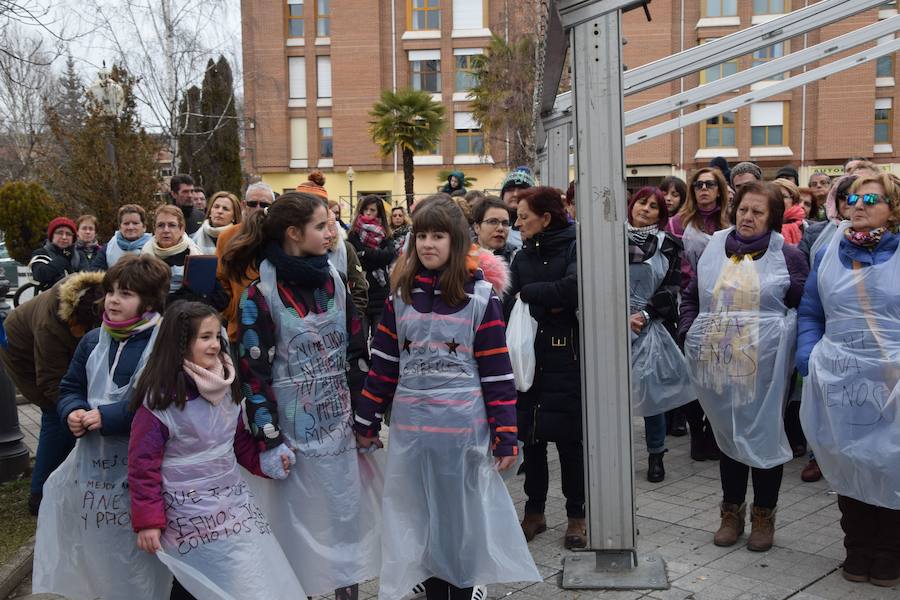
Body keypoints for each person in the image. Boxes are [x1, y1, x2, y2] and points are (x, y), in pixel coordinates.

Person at [355, 196, 539, 600]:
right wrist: (365, 421)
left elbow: (496, 372)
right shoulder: (400, 298)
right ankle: (433, 581)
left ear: (456, 242)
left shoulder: (480, 298)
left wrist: (505, 433)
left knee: (459, 517)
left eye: (438, 235)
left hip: (462, 433)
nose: (428, 244)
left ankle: (464, 582)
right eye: (421, 235)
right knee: (418, 513)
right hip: (412, 432)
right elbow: (384, 364)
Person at [223, 192, 379, 600]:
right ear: (294, 233)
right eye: (322, 226)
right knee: (298, 534)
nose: (332, 233)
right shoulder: (259, 297)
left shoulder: (337, 283)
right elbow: (251, 375)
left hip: (340, 431)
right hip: (290, 439)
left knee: (345, 523)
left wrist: (367, 420)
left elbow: (358, 355)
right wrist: (269, 440)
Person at [128, 300, 305, 600]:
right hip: (186, 513)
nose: (214, 345)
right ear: (181, 344)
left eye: (217, 336)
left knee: (240, 571)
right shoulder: (160, 401)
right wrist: (148, 521)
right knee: (191, 582)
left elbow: (235, 442)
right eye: (204, 337)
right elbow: (142, 465)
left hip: (229, 506)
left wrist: (266, 461)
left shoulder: (226, 387)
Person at [33, 255, 172, 599]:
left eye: (125, 293)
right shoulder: (93, 340)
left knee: (144, 553)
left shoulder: (164, 343)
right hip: (96, 471)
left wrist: (108, 417)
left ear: (149, 300)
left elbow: (161, 400)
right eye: (110, 291)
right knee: (100, 545)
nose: (112, 300)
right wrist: (73, 412)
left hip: (149, 471)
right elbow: (69, 387)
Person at [681, 181, 809, 552]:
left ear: (772, 218)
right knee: (728, 435)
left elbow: (804, 305)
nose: (747, 217)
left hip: (767, 371)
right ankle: (730, 512)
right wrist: (689, 330)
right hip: (718, 363)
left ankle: (764, 515)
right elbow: (692, 296)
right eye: (742, 210)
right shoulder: (713, 249)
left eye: (757, 212)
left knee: (764, 435)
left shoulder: (788, 256)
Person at [797, 172, 900, 587]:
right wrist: (808, 359)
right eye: (852, 198)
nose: (858, 205)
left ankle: (890, 553)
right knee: (849, 460)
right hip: (840, 381)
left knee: (891, 463)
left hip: (893, 384)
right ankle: (856, 549)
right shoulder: (827, 252)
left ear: (893, 208)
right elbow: (811, 311)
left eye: (871, 198)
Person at [503, 186, 585, 549]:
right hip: (529, 359)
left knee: (570, 441)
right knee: (532, 438)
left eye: (523, 217)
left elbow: (571, 291)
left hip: (566, 356)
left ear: (546, 218)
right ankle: (533, 512)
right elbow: (513, 299)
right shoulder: (521, 257)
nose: (516, 223)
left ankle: (577, 516)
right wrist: (543, 297)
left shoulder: (575, 246)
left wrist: (532, 295)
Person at [0, 271, 105, 515]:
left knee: (71, 417)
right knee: (55, 417)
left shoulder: (93, 296)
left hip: (56, 353)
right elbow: (50, 380)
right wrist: (72, 409)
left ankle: (68, 480)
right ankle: (40, 495)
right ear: (74, 320)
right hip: (22, 355)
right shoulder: (50, 326)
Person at [626, 188, 693, 483]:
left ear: (661, 215)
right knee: (610, 396)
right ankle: (611, 455)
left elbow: (672, 287)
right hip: (610, 326)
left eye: (654, 206)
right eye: (642, 202)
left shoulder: (669, 245)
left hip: (648, 326)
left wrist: (645, 314)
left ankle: (656, 454)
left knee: (650, 393)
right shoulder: (608, 240)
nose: (646, 209)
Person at [666, 167, 730, 461]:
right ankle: (696, 430)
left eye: (710, 184)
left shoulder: (730, 221)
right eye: (699, 184)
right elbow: (669, 263)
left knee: (719, 372)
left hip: (725, 305)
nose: (704, 189)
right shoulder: (678, 223)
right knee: (691, 371)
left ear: (720, 189)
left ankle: (714, 429)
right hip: (688, 302)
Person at [142, 205, 226, 309]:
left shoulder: (196, 256)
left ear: (182, 228)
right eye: (160, 225)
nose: (166, 230)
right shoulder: (144, 258)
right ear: (154, 229)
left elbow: (221, 299)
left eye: (172, 225)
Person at [348, 194, 397, 340]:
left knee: (379, 336)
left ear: (379, 212)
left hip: (380, 289)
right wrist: (376, 256)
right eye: (365, 209)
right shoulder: (354, 233)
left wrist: (365, 253)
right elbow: (357, 260)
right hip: (361, 288)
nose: (368, 213)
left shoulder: (385, 233)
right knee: (361, 337)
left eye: (372, 210)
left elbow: (389, 256)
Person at [91, 204, 153, 271]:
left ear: (144, 227)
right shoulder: (107, 249)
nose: (130, 227)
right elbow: (96, 273)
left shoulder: (155, 246)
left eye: (135, 223)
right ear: (120, 227)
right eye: (126, 223)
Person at [29, 217, 82, 289]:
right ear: (52, 236)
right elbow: (40, 276)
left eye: (68, 234)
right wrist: (63, 257)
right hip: (50, 297)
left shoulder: (79, 255)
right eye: (60, 233)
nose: (64, 237)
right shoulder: (41, 253)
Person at [500, 166, 535, 249]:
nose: (515, 194)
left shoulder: (538, 226)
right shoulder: (490, 222)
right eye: (510, 190)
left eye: (521, 189)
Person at [473, 196, 516, 264]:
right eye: (493, 222)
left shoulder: (515, 257)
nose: (500, 228)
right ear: (477, 227)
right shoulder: (462, 256)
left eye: (505, 223)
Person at [773, 178, 805, 245]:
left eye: (783, 196)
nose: (779, 200)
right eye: (775, 196)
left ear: (794, 201)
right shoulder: (761, 225)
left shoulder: (806, 226)